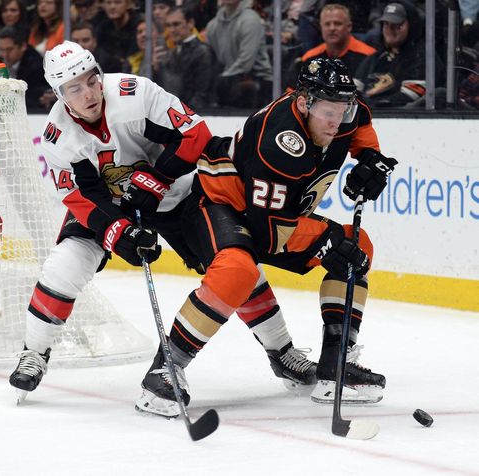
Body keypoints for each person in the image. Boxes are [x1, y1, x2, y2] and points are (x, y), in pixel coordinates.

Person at [8, 40, 318, 402]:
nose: (88, 93)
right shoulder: (58, 137)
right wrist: (119, 233)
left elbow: (196, 135)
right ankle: (34, 352)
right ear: (59, 95)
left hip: (178, 193)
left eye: (91, 80)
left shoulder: (134, 93)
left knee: (236, 261)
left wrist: (157, 179)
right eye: (74, 88)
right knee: (64, 266)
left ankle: (281, 351)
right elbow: (82, 198)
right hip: (112, 205)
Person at [136, 58, 397, 417]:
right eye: (327, 111)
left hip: (271, 215)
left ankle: (335, 364)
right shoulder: (279, 140)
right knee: (237, 269)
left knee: (358, 246)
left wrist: (370, 158)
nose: (336, 121)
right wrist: (326, 238)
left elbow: (361, 121)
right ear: (304, 102)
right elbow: (269, 233)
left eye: (342, 108)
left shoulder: (344, 113)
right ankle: (165, 367)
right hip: (218, 202)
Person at [354, 1, 427, 108]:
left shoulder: (422, 58)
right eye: (386, 24)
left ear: (411, 25)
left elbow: (409, 97)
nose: (390, 29)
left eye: (397, 25)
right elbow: (352, 94)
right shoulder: (374, 59)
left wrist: (373, 106)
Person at [287, 3, 376, 88]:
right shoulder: (309, 58)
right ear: (321, 27)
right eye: (327, 24)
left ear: (349, 27)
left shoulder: (369, 56)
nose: (332, 28)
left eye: (337, 24)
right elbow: (292, 94)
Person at [205, 0, 273, 109]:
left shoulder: (250, 20)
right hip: (230, 79)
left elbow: (245, 63)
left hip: (258, 81)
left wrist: (221, 82)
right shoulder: (212, 26)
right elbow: (211, 60)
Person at [160, 7, 213, 109]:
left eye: (176, 24)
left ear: (190, 23)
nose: (172, 30)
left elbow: (202, 93)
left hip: (196, 115)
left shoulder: (202, 51)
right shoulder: (172, 53)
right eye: (168, 25)